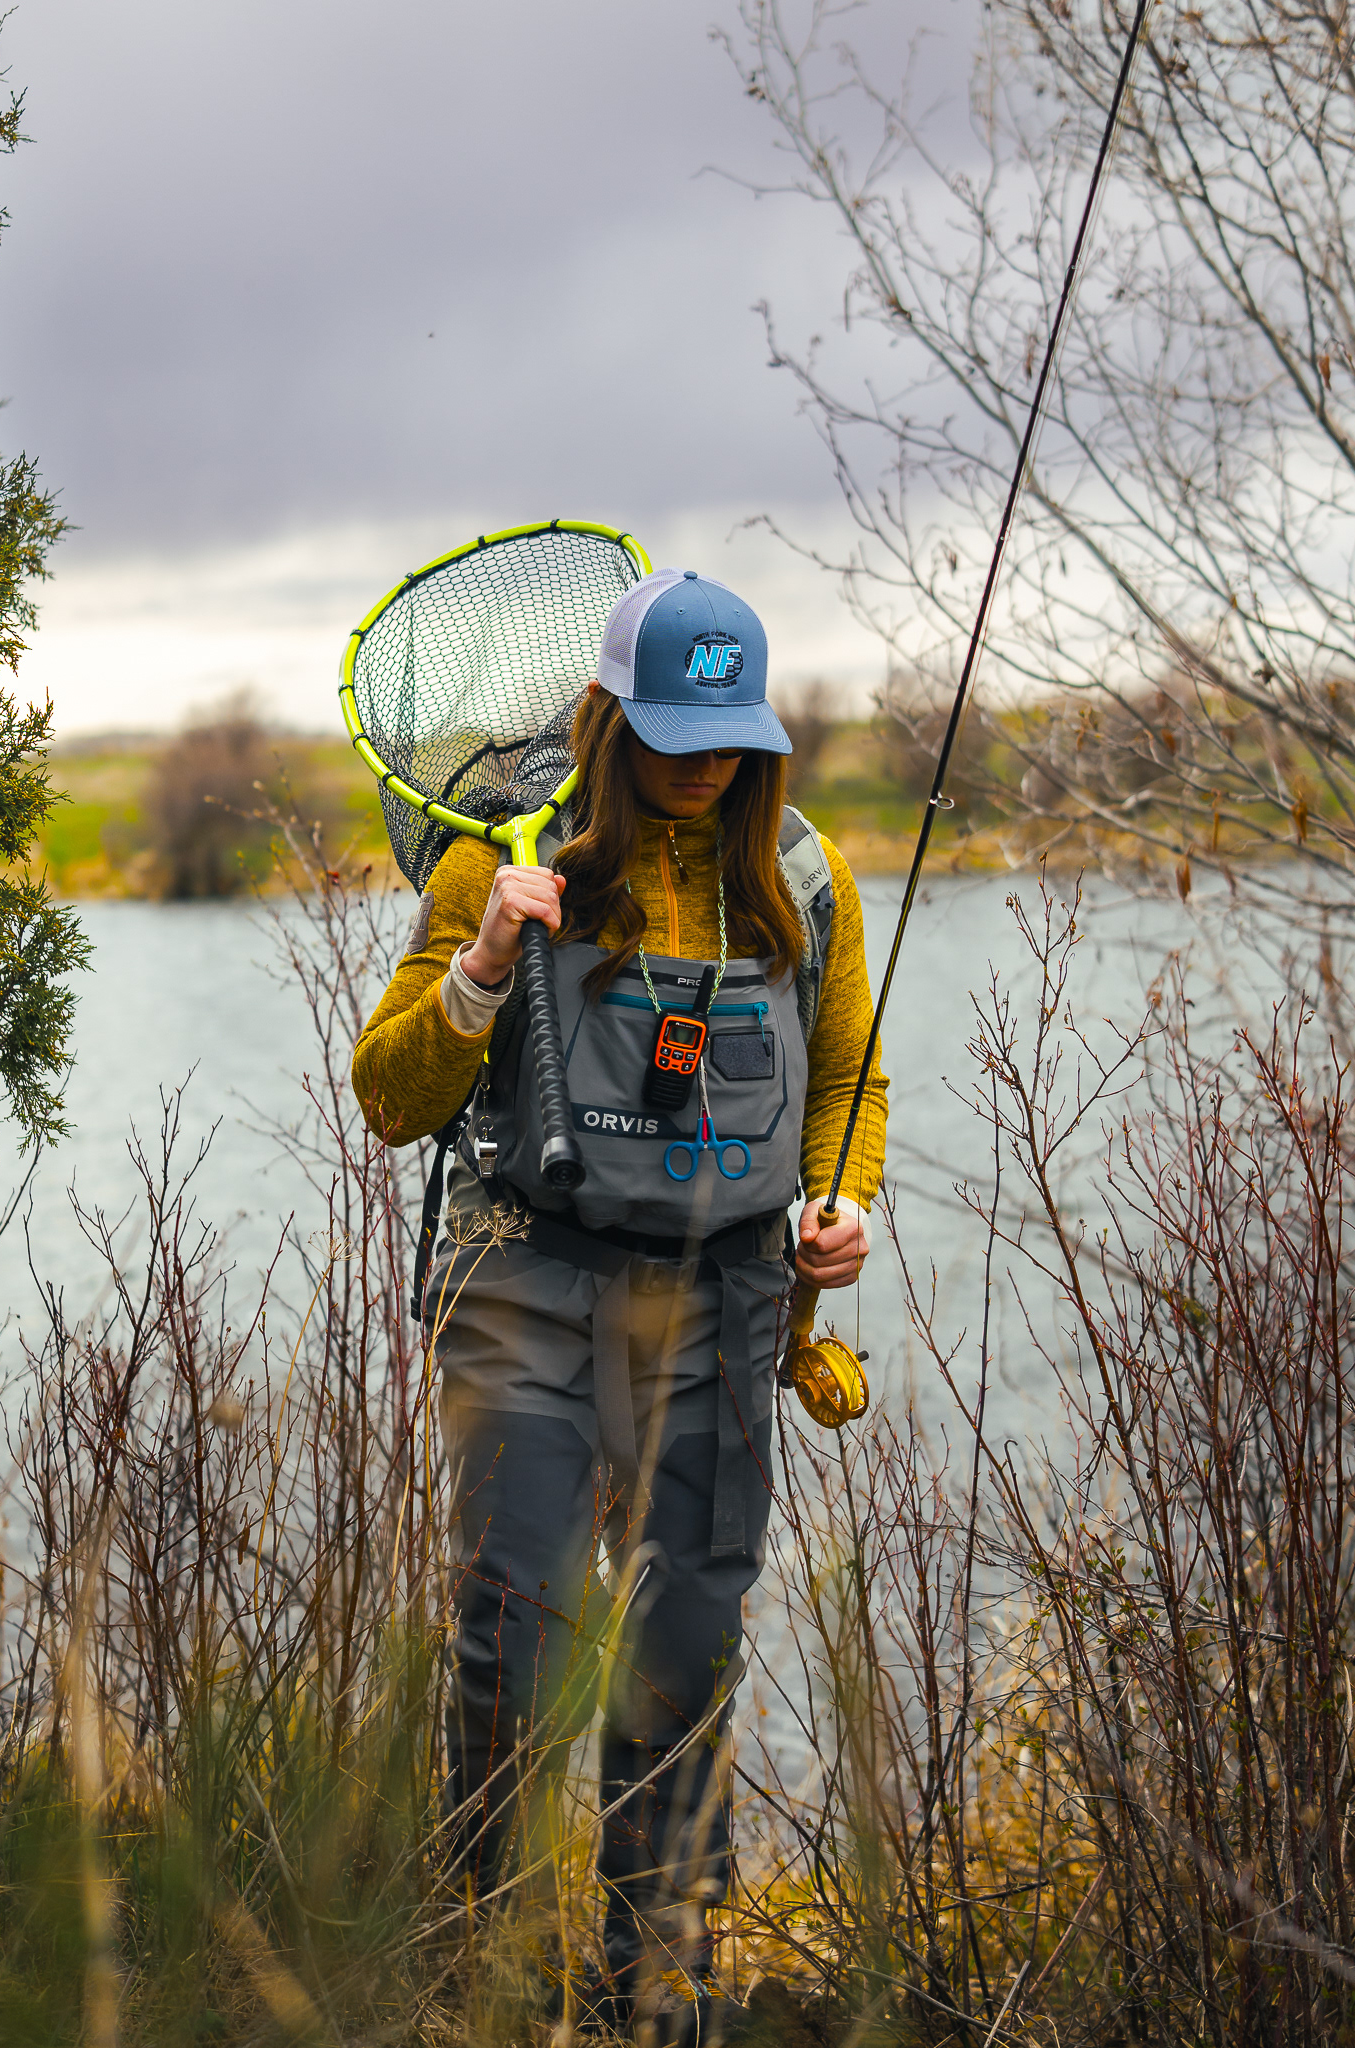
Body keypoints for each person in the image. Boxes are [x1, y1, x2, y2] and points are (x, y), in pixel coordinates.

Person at [351, 567, 887, 2043]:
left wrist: (840, 1204)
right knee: (518, 1617)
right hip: (527, 1275)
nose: (703, 764)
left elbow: (846, 1077)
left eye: (729, 737)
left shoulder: (806, 877)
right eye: (671, 735)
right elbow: (389, 1099)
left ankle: (656, 1983)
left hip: (726, 1292)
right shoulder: (500, 862)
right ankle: (479, 1964)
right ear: (607, 717)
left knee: (685, 1634)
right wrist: (482, 963)